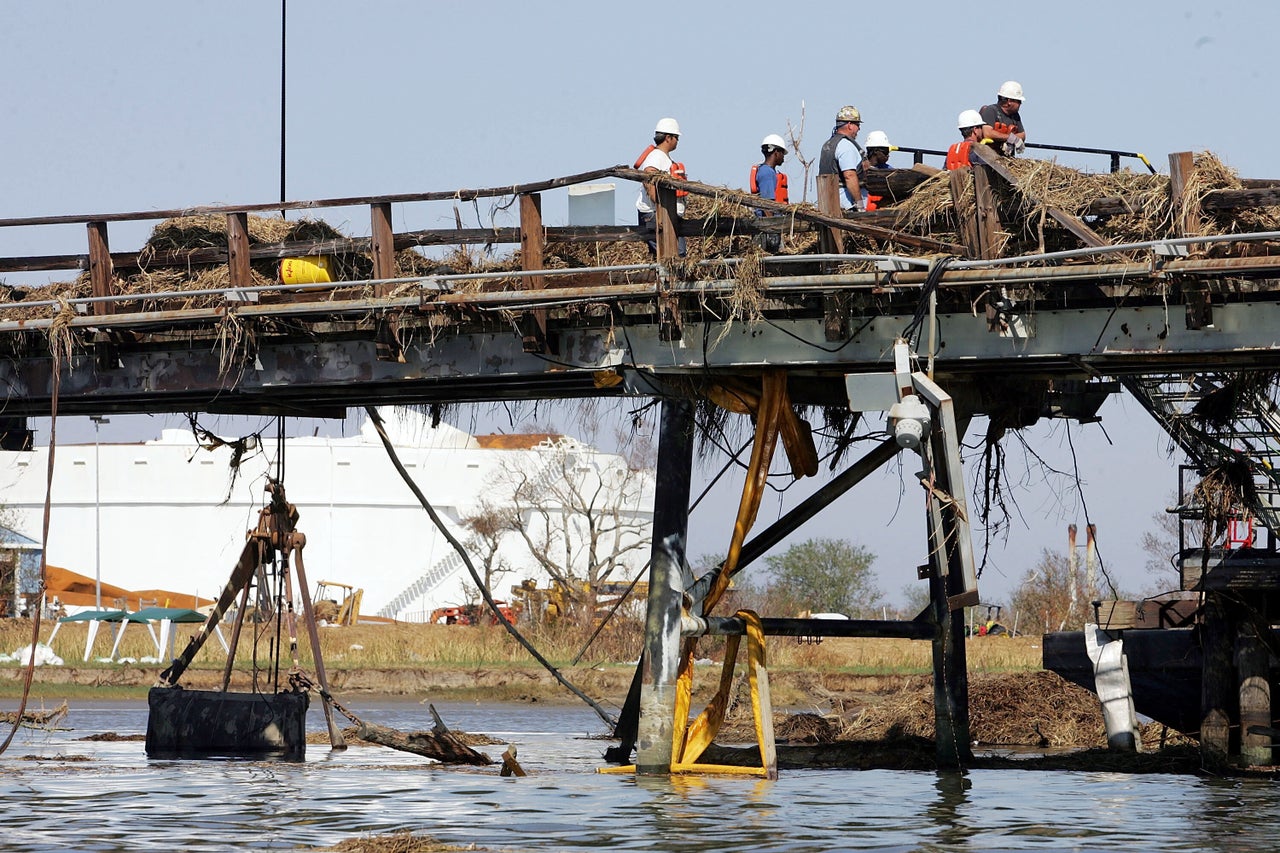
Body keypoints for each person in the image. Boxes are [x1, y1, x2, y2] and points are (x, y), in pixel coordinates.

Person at [634, 117, 688, 256]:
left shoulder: (663, 157)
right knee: (674, 253)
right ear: (668, 138)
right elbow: (649, 178)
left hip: (665, 215)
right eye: (676, 137)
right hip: (655, 214)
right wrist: (660, 205)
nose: (678, 141)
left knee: (675, 253)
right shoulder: (656, 157)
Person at [817, 106, 864, 211]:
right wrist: (860, 205)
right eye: (857, 125)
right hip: (846, 208)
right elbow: (849, 176)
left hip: (828, 204)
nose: (859, 129)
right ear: (850, 125)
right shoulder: (846, 146)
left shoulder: (828, 145)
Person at [750, 134, 789, 250]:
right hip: (766, 228)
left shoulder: (766, 171)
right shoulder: (767, 173)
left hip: (767, 225)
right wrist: (772, 231)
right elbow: (766, 204)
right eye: (782, 153)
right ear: (776, 152)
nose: (783, 157)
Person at [980, 81, 1026, 156]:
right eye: (1018, 101)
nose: (1020, 104)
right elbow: (987, 133)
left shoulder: (1015, 116)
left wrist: (1013, 140)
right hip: (989, 159)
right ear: (1009, 101)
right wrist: (1011, 139)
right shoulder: (991, 111)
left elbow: (1022, 135)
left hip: (1007, 160)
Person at [857, 130, 893, 211]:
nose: (888, 155)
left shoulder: (888, 169)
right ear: (876, 151)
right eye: (886, 151)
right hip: (864, 210)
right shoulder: (859, 168)